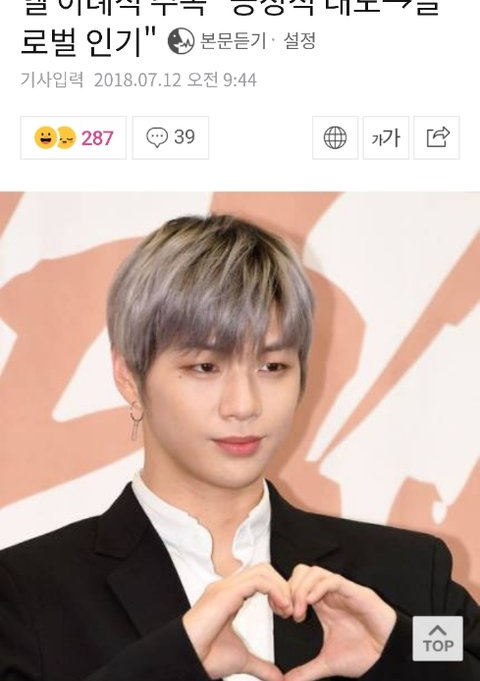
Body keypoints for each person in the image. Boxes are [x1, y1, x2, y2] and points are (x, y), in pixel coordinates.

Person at [0, 213, 478, 681]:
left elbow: (456, 647)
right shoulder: (26, 594)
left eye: (272, 367)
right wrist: (165, 664)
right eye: (205, 367)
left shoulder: (404, 575)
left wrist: (399, 647)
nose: (244, 405)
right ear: (129, 376)